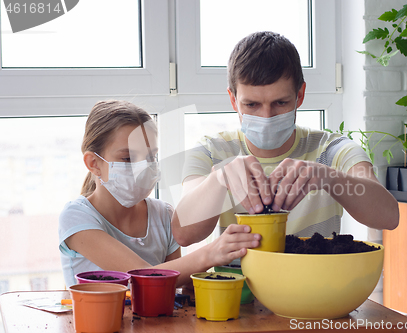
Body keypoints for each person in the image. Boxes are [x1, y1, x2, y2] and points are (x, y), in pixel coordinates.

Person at [171, 31, 399, 247]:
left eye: (280, 103)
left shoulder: (332, 150)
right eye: (251, 105)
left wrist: (328, 177)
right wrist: (219, 180)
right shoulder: (211, 150)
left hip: (314, 285)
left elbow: (388, 217)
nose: (266, 116)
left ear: (299, 95)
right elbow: (183, 234)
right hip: (236, 287)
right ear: (233, 100)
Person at [58, 100, 260, 287]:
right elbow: (142, 277)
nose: (143, 167)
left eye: (150, 156)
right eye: (128, 158)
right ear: (94, 163)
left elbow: (176, 285)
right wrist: (211, 254)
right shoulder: (77, 217)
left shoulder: (163, 215)